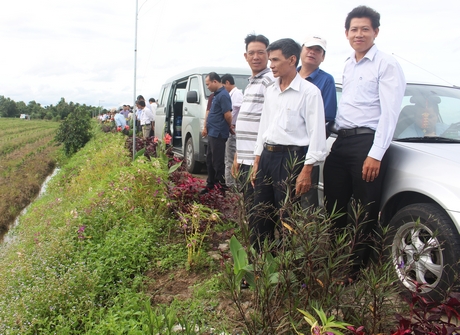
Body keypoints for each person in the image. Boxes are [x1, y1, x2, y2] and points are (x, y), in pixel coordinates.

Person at [323, 5, 406, 278]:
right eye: (354, 29)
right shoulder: (348, 64)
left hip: (366, 144)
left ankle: (355, 270)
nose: (359, 34)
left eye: (365, 29)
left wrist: (376, 153)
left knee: (364, 209)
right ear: (346, 33)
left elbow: (390, 113)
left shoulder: (386, 64)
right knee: (334, 205)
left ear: (376, 32)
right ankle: (333, 259)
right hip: (342, 142)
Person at [250, 38, 327, 250]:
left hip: (291, 160)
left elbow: (317, 134)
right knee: (260, 213)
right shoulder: (271, 90)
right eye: (270, 60)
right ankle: (260, 263)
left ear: (292, 59)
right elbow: (264, 126)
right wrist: (257, 159)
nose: (271, 65)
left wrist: (307, 169)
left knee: (287, 216)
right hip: (267, 156)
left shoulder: (309, 92)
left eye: (275, 60)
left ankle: (285, 269)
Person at [232, 34, 275, 213]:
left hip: (257, 161)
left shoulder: (270, 81)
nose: (255, 57)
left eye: (260, 52)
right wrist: (237, 155)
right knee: (249, 208)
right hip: (245, 158)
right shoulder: (251, 83)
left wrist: (258, 160)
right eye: (251, 53)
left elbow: (270, 122)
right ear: (245, 56)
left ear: (268, 54)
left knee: (259, 212)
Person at [297, 35, 337, 208]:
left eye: (318, 50)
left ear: (323, 57)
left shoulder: (326, 81)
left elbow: (325, 120)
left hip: (307, 153)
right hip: (282, 152)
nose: (312, 52)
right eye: (309, 48)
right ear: (301, 50)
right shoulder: (289, 75)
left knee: (306, 203)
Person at [201, 72, 233, 195]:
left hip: (219, 133)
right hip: (212, 132)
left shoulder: (223, 95)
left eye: (208, 84)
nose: (207, 87)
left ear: (215, 81)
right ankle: (210, 185)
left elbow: (228, 115)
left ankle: (220, 189)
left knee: (217, 162)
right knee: (209, 160)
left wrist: (229, 126)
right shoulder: (215, 95)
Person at [221, 74, 243, 188]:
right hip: (231, 129)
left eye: (224, 85)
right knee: (228, 158)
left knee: (231, 158)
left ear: (228, 83)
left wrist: (231, 123)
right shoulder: (231, 94)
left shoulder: (237, 94)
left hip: (234, 129)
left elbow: (234, 111)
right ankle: (229, 183)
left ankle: (231, 185)